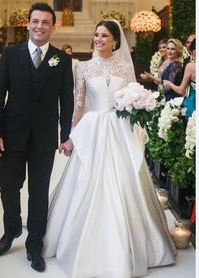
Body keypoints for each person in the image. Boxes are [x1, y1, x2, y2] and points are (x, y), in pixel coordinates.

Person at [43, 20, 176, 277]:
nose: (99, 39)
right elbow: (79, 105)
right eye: (96, 35)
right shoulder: (82, 67)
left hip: (119, 130)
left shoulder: (125, 66)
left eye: (104, 35)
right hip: (92, 128)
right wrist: (70, 137)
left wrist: (138, 104)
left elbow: (130, 97)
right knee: (85, 181)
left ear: (115, 40)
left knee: (124, 184)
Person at [0, 2, 74, 272]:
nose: (40, 26)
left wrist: (65, 134)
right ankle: (12, 228)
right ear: (28, 23)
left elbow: (67, 100)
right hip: (12, 136)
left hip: (44, 138)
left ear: (53, 26)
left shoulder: (62, 59)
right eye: (35, 21)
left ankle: (34, 244)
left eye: (45, 22)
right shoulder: (10, 55)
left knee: (39, 193)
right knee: (8, 186)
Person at [163, 38, 196, 117]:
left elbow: (181, 90)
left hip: (193, 103)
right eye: (168, 48)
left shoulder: (190, 66)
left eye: (173, 49)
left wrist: (169, 84)